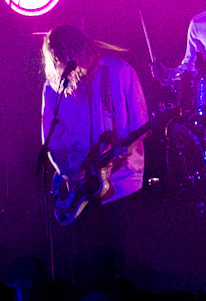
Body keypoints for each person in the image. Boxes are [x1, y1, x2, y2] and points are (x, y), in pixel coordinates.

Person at [41, 23, 150, 227]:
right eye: (60, 57)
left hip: (121, 184)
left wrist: (122, 150)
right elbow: (51, 140)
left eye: (70, 53)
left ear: (84, 48)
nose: (68, 61)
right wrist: (67, 172)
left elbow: (140, 124)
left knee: (124, 242)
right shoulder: (53, 86)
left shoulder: (119, 70)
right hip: (77, 186)